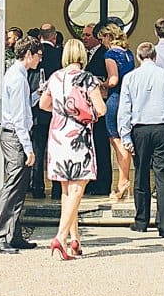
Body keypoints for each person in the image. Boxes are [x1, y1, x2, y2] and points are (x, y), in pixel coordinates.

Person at [39, 38, 105, 260]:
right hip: (78, 135)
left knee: (67, 190)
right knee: (77, 188)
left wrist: (61, 110)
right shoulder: (88, 79)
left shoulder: (55, 77)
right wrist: (86, 114)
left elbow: (43, 105)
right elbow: (101, 109)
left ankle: (74, 239)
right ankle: (60, 237)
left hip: (57, 134)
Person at [118, 41, 164, 237]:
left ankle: (141, 222)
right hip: (163, 127)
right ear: (155, 57)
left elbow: (125, 109)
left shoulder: (131, 78)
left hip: (140, 129)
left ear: (139, 58)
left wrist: (125, 134)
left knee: (141, 174)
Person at [0, 37, 45, 254]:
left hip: (13, 134)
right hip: (15, 137)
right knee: (13, 186)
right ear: (29, 54)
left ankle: (13, 233)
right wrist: (29, 148)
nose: (40, 60)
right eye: (38, 56)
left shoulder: (17, 76)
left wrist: (36, 95)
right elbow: (19, 117)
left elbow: (21, 106)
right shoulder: (18, 78)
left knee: (20, 188)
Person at [99, 24, 136, 200]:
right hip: (128, 98)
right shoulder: (128, 53)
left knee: (116, 140)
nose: (102, 42)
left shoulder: (110, 54)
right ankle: (124, 181)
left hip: (115, 98)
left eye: (102, 38)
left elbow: (113, 80)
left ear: (108, 37)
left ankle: (123, 182)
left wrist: (101, 84)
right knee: (125, 138)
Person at [82, 23, 119, 196]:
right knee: (94, 146)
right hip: (90, 106)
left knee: (102, 145)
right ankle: (93, 181)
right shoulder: (87, 54)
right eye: (83, 35)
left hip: (102, 103)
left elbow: (109, 78)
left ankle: (103, 183)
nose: (85, 38)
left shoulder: (105, 54)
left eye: (88, 35)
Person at [35, 24, 62, 197]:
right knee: (56, 150)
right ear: (54, 37)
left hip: (37, 108)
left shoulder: (36, 55)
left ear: (40, 37)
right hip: (56, 108)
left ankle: (37, 187)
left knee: (38, 150)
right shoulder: (59, 55)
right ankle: (57, 189)